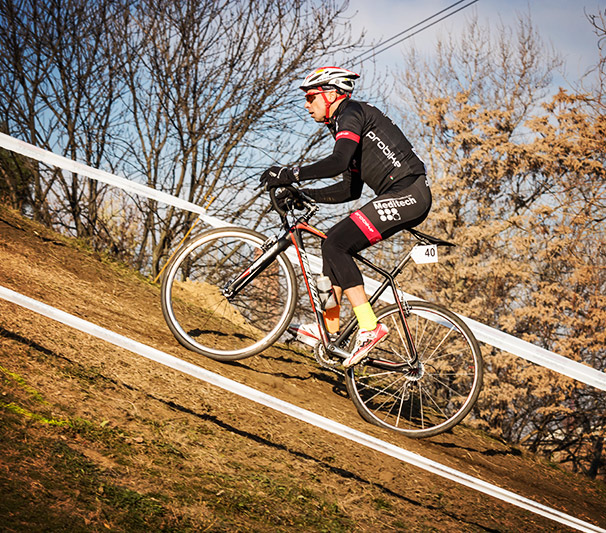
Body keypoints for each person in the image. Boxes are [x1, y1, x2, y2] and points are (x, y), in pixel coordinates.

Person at [260, 66, 432, 367]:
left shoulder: (350, 112)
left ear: (331, 94)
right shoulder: (345, 123)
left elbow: (338, 161)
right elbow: (350, 190)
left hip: (409, 192)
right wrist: (306, 195)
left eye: (311, 97)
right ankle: (330, 328)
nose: (306, 104)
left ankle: (369, 326)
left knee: (336, 243)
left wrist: (289, 174)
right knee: (332, 247)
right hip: (403, 194)